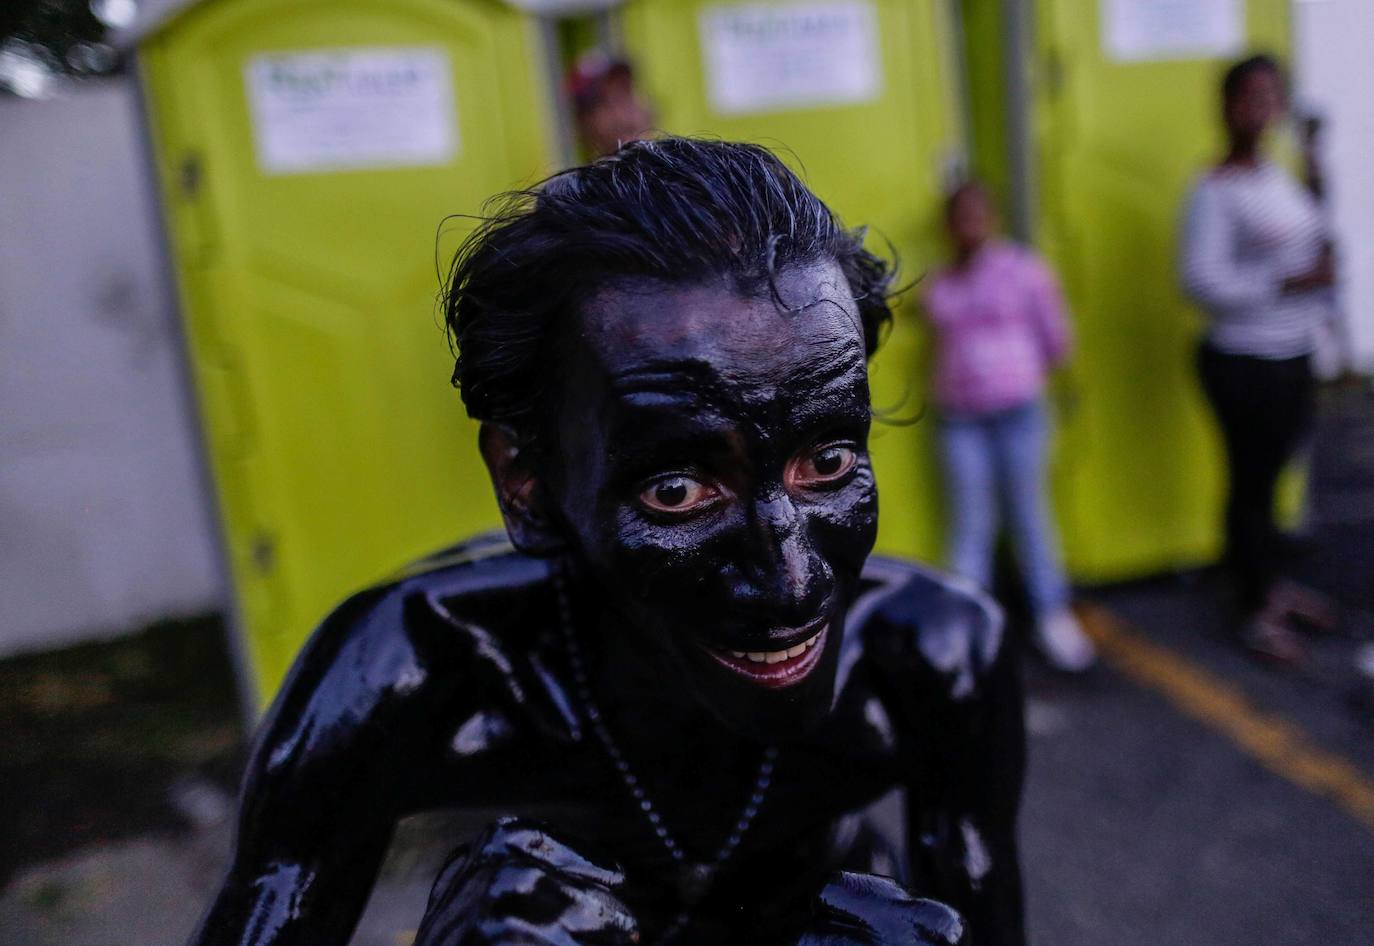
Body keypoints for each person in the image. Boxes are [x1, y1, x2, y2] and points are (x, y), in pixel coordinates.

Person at [189, 139, 1027, 946]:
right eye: (677, 491)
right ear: (526, 479)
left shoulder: (930, 658)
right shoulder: (423, 668)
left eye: (829, 459)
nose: (792, 583)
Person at [1180, 54, 1336, 663]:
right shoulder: (1213, 190)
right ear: (1224, 106)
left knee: (1271, 483)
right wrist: (1285, 286)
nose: (1260, 108)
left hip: (1292, 350)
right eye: (1247, 96)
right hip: (1244, 360)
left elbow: (1312, 240)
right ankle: (1251, 609)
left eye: (1270, 95)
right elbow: (1198, 281)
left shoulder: (1278, 175)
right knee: (1250, 486)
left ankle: (1267, 584)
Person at [921, 182, 1095, 673]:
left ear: (992, 218)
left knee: (1029, 514)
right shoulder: (941, 282)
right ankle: (966, 631)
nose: (969, 227)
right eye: (959, 217)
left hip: (1018, 412)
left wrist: (1017, 373)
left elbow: (1056, 339)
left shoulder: (1024, 271)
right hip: (960, 417)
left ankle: (1051, 615)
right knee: (970, 524)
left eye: (977, 215)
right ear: (948, 225)